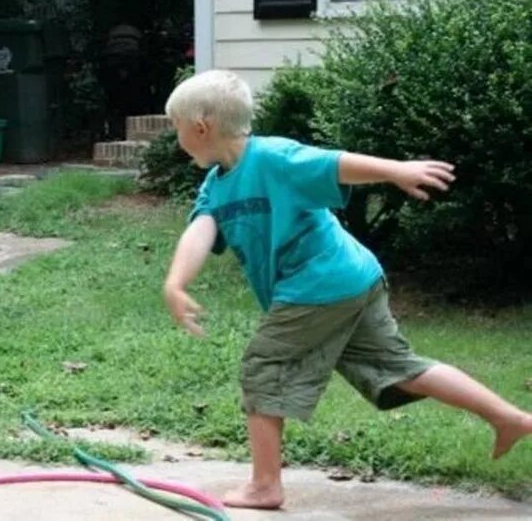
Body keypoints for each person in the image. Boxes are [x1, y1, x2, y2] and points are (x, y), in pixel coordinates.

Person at [162, 69, 532, 509]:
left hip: (320, 284)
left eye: (175, 127)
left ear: (200, 127)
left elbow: (333, 163)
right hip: (355, 278)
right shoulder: (217, 184)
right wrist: (176, 281)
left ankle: (264, 485)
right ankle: (509, 417)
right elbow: (202, 230)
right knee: (397, 367)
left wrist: (395, 170)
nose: (176, 136)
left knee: (264, 364)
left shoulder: (273, 158)